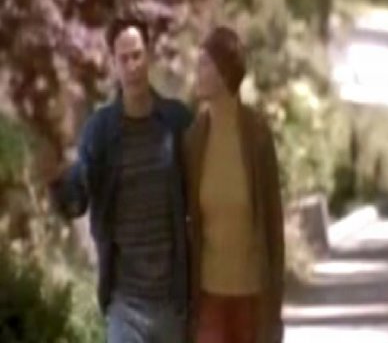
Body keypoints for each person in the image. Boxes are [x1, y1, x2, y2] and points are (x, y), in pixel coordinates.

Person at [42, 18, 192, 343]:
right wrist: (55, 180)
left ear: (148, 55)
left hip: (172, 301)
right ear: (114, 64)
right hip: (125, 303)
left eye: (137, 55)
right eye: (123, 58)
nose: (132, 66)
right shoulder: (100, 130)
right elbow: (77, 201)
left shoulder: (176, 121)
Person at [183, 26, 285, 343]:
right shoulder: (193, 139)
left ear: (224, 72)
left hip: (252, 297)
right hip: (208, 295)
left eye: (204, 64)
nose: (197, 72)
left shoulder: (257, 134)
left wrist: (275, 307)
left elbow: (273, 223)